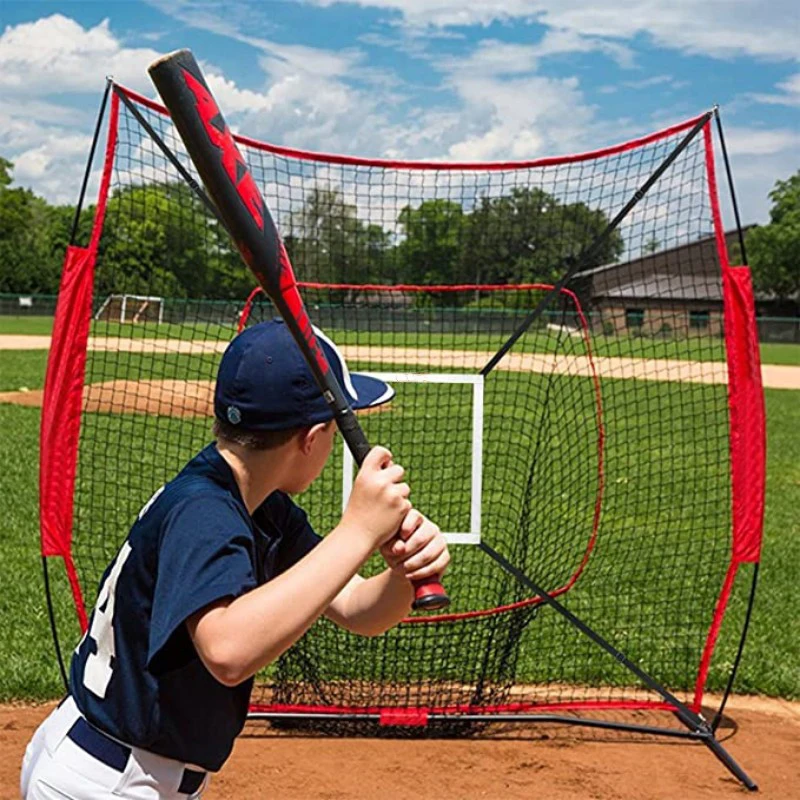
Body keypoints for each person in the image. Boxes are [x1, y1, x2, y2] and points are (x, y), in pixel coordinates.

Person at [21, 319, 449, 799]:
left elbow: (355, 609)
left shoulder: (259, 505)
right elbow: (227, 651)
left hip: (124, 768)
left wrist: (401, 573)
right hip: (107, 781)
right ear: (311, 437)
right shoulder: (205, 511)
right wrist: (356, 532)